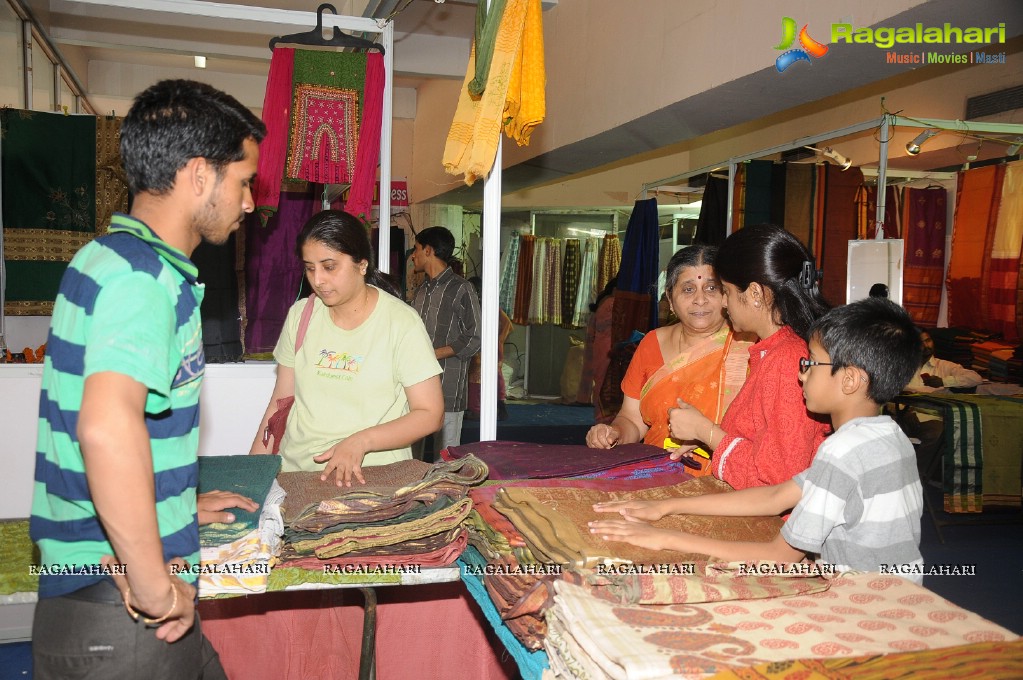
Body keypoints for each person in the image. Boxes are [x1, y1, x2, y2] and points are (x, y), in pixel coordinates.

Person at [30, 79, 265, 678]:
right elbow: (106, 428)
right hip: (127, 616)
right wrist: (156, 588)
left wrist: (177, 502)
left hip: (115, 606)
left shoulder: (106, 257)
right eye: (243, 182)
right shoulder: (143, 281)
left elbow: (130, 419)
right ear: (198, 175)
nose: (249, 204)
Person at [591, 297, 925, 582]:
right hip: (897, 587)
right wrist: (664, 507)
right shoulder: (887, 436)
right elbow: (778, 495)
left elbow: (779, 557)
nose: (801, 372)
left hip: (863, 598)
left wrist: (663, 539)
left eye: (810, 362)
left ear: (850, 379)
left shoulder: (842, 450)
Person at [250, 210, 444, 485]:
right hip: (297, 477)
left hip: (371, 482)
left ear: (361, 264)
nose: (318, 280)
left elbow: (430, 414)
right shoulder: (301, 315)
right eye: (309, 267)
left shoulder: (401, 323)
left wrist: (361, 441)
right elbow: (278, 405)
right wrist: (253, 476)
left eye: (329, 267)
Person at [667, 224, 831, 489]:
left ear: (755, 294)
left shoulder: (788, 359)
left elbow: (776, 482)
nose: (722, 303)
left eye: (727, 292)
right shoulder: (775, 350)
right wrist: (707, 438)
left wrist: (705, 431)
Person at [584, 247, 751, 477]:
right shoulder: (651, 343)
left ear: (726, 295)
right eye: (688, 289)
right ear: (671, 300)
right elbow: (632, 418)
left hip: (726, 481)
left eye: (711, 288)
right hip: (654, 473)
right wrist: (613, 433)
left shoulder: (748, 346)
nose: (700, 299)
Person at [410, 226, 482, 457]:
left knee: (447, 460)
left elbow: (475, 337)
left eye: (416, 249)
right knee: (413, 461)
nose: (413, 255)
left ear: (428, 250)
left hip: (448, 390)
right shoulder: (421, 291)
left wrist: (434, 354)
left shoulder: (462, 288)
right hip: (417, 391)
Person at [465, 276, 513, 421]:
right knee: (489, 376)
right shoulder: (476, 305)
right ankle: (491, 408)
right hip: (483, 345)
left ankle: (477, 410)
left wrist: (498, 340)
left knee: (477, 375)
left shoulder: (486, 305)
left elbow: (508, 325)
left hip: (486, 346)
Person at [577, 277, 617, 421]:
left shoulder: (604, 302)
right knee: (604, 383)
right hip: (607, 348)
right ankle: (604, 419)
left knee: (601, 382)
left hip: (601, 347)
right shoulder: (611, 303)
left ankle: (602, 417)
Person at [905, 329, 983, 392]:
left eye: (928, 340)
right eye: (920, 343)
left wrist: (943, 382)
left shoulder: (944, 366)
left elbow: (976, 378)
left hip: (934, 409)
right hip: (902, 409)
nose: (926, 346)